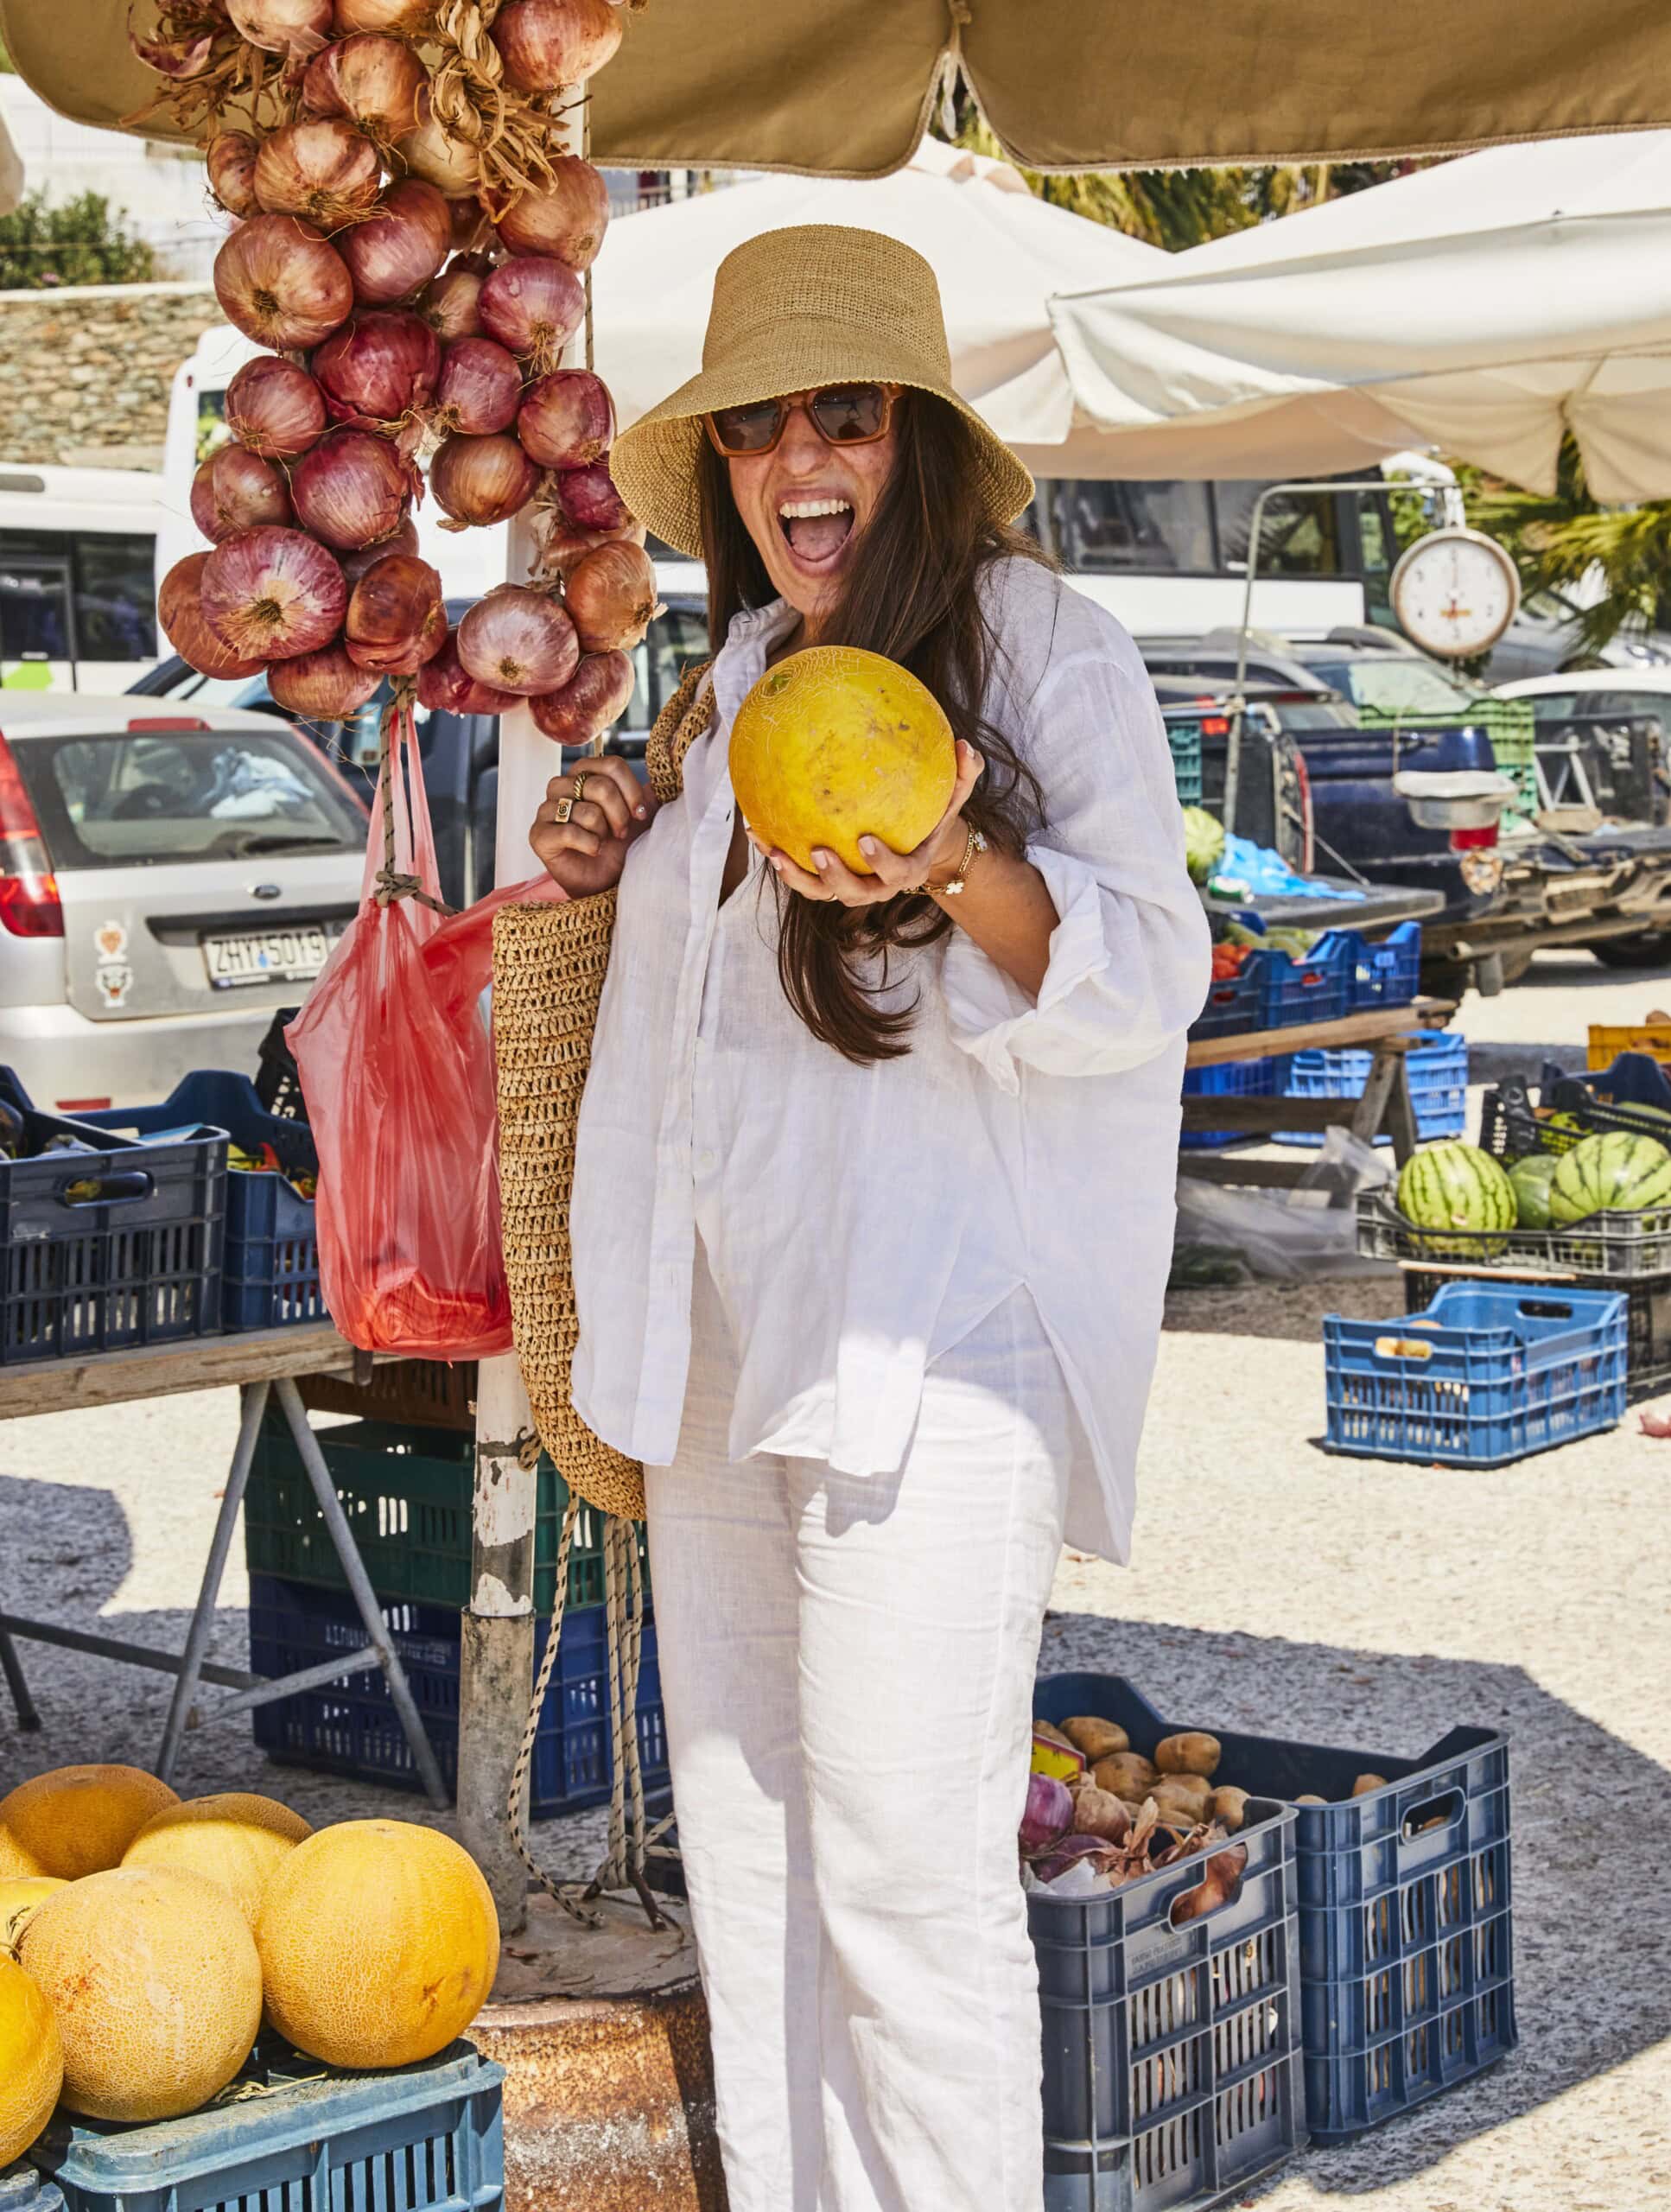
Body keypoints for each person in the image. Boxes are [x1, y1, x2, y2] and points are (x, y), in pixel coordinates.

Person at [529, 225, 1210, 2212]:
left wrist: (961, 863)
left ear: (913, 439)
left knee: (909, 1876)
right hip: (737, 1334)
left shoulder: (1036, 646)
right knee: (753, 1856)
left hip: (936, 1339)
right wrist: (622, 837)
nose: (798, 459)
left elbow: (1154, 962)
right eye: (758, 426)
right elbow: (705, 1021)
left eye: (844, 414)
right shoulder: (734, 674)